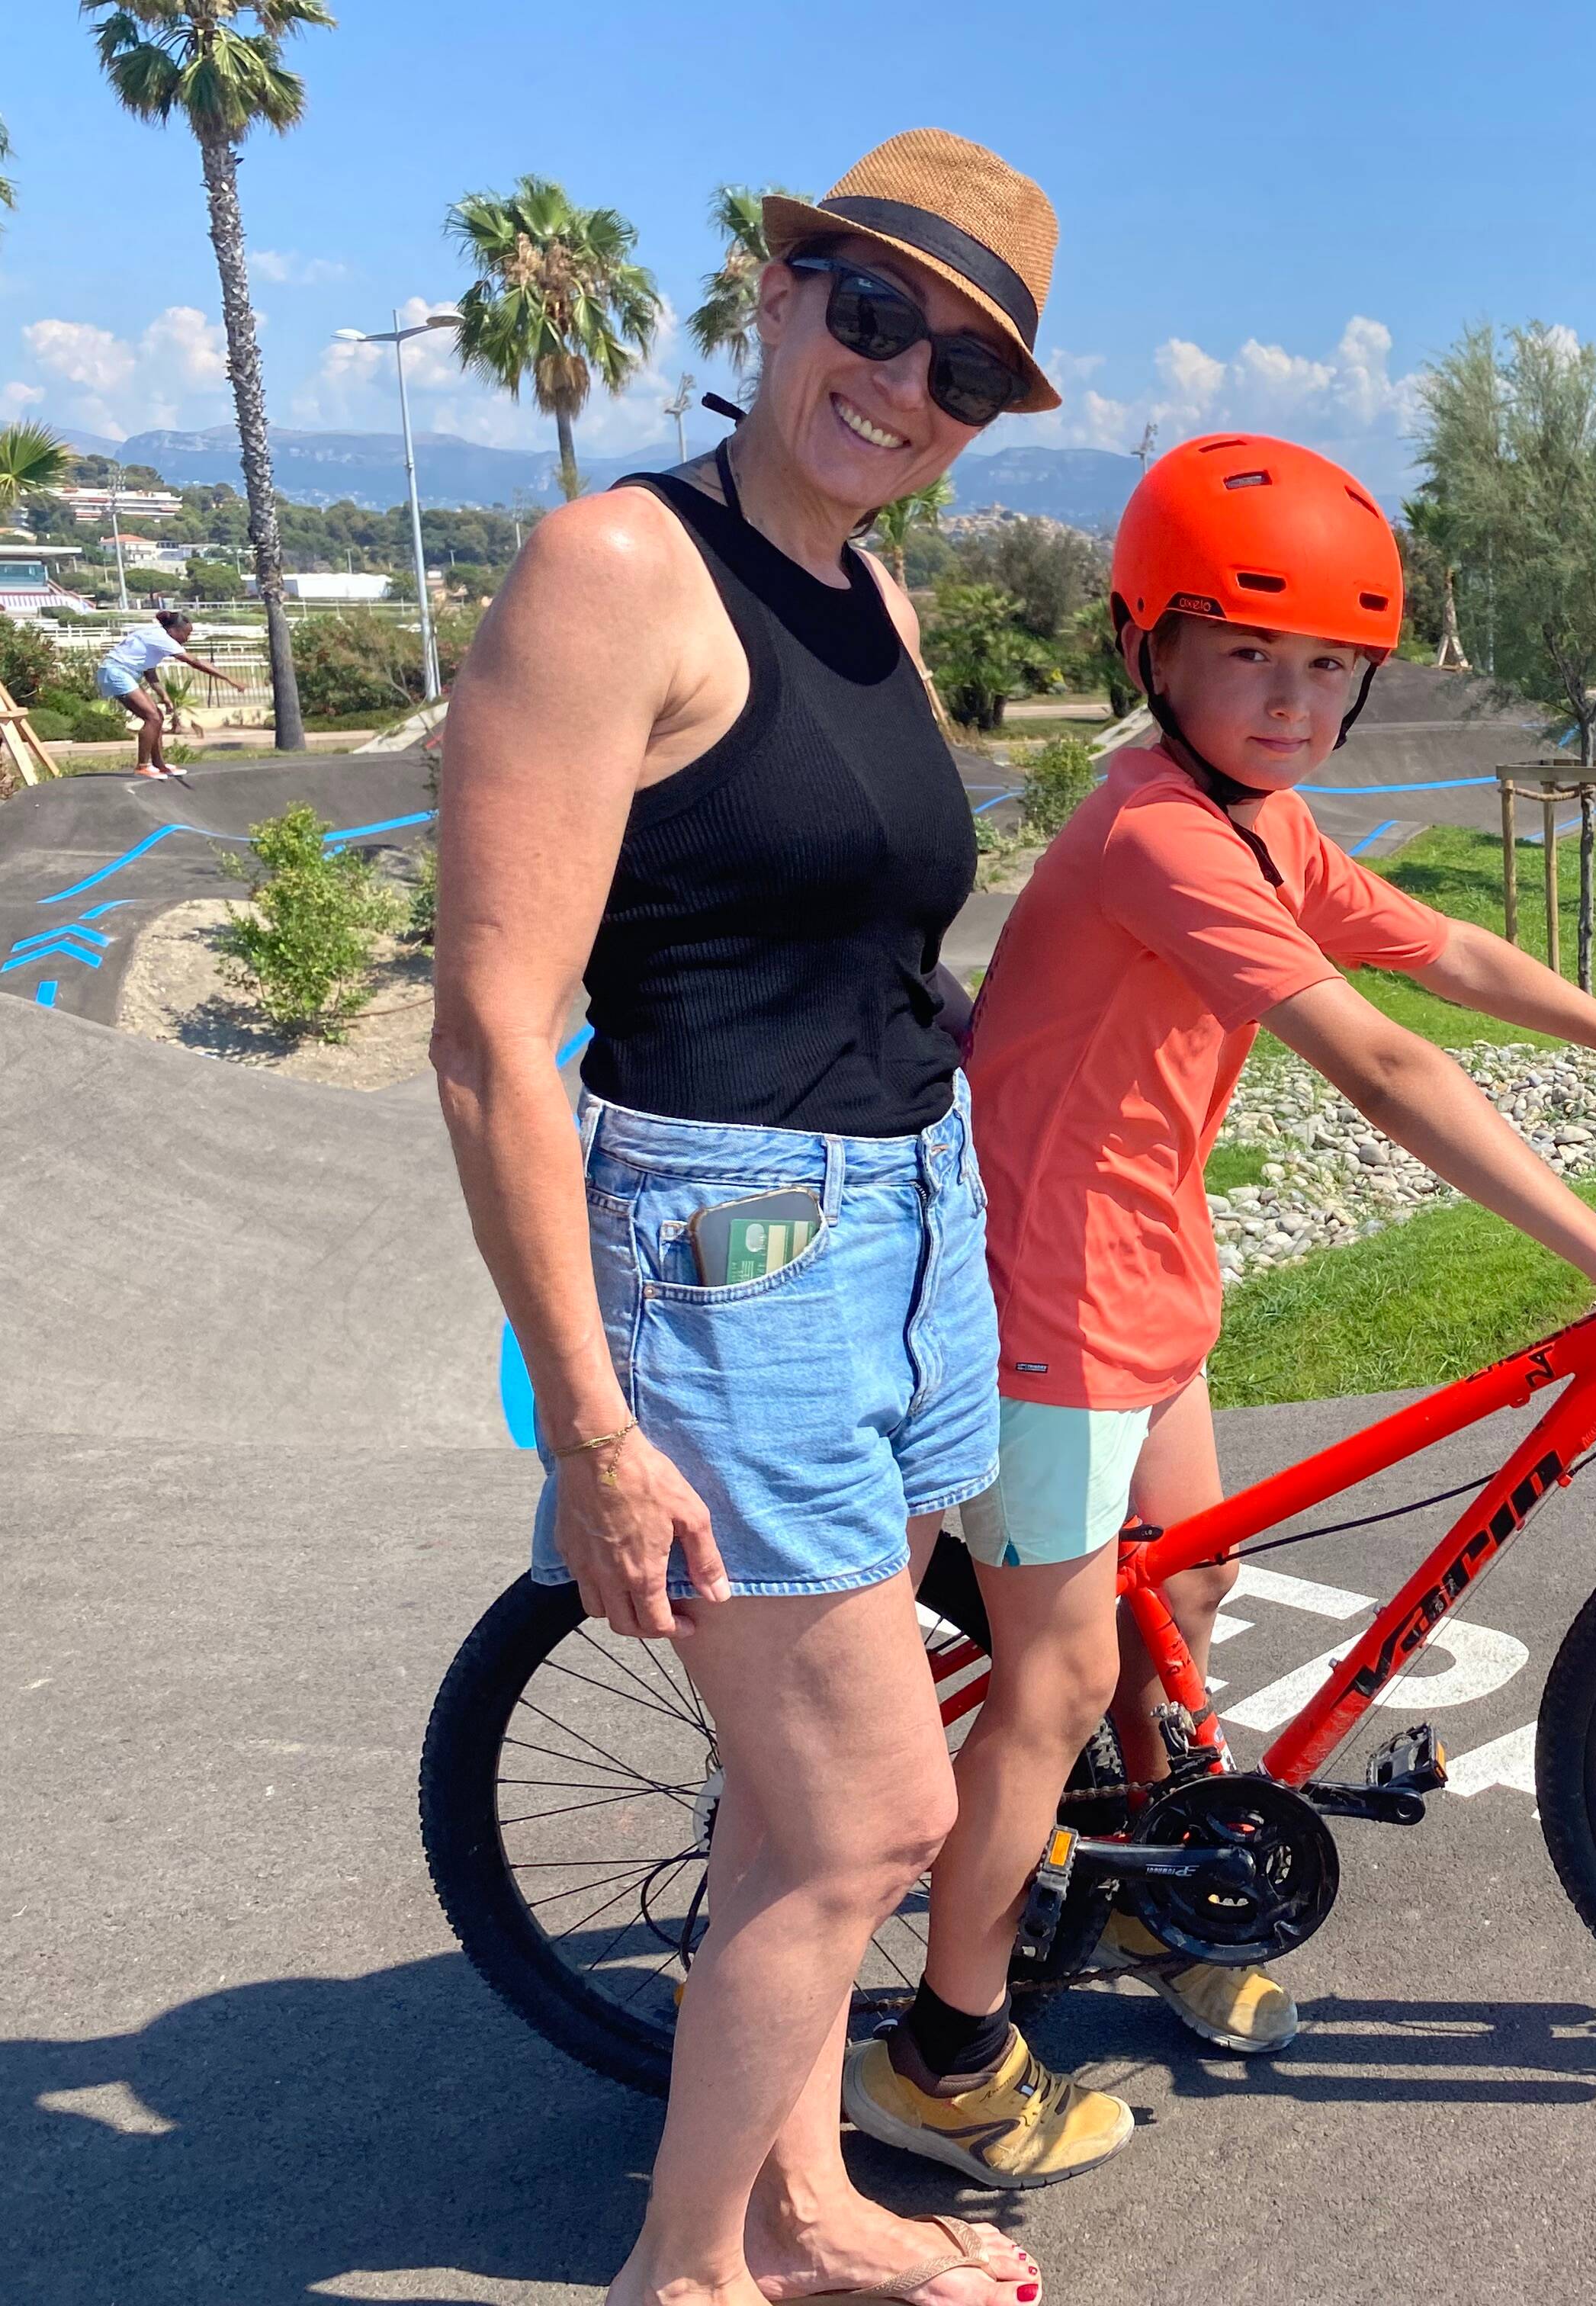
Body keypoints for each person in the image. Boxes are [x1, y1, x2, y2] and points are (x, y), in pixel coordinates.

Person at [844, 434, 1596, 2185]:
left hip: (1144, 1269)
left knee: (1184, 1588)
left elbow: (1437, 949)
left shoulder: (1260, 823)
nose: (1291, 698)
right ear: (1152, 651)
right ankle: (944, 2055)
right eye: (1248, 652)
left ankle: (1148, 1899)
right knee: (1058, 1675)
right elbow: (1385, 1064)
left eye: (1330, 666)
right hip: (1046, 1304)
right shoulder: (1156, 834)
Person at [432, 130, 1072, 2306]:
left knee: (803, 1813)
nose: (904, 383)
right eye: (875, 314)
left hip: (909, 1234)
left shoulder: (876, 598)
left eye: (963, 369)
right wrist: (596, 1432)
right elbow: (493, 1042)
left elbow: (874, 940)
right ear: (778, 293)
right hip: (732, 1262)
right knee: (880, 1815)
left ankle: (798, 2211)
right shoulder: (617, 568)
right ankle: (686, 2273)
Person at [94, 608, 240, 778]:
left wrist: (164, 696)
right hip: (116, 673)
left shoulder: (155, 636)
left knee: (157, 717)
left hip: (118, 673)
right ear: (174, 630)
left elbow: (149, 672)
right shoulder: (163, 638)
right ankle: (142, 766)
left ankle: (159, 765)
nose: (187, 639)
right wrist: (229, 678)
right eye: (186, 634)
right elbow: (194, 661)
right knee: (153, 718)